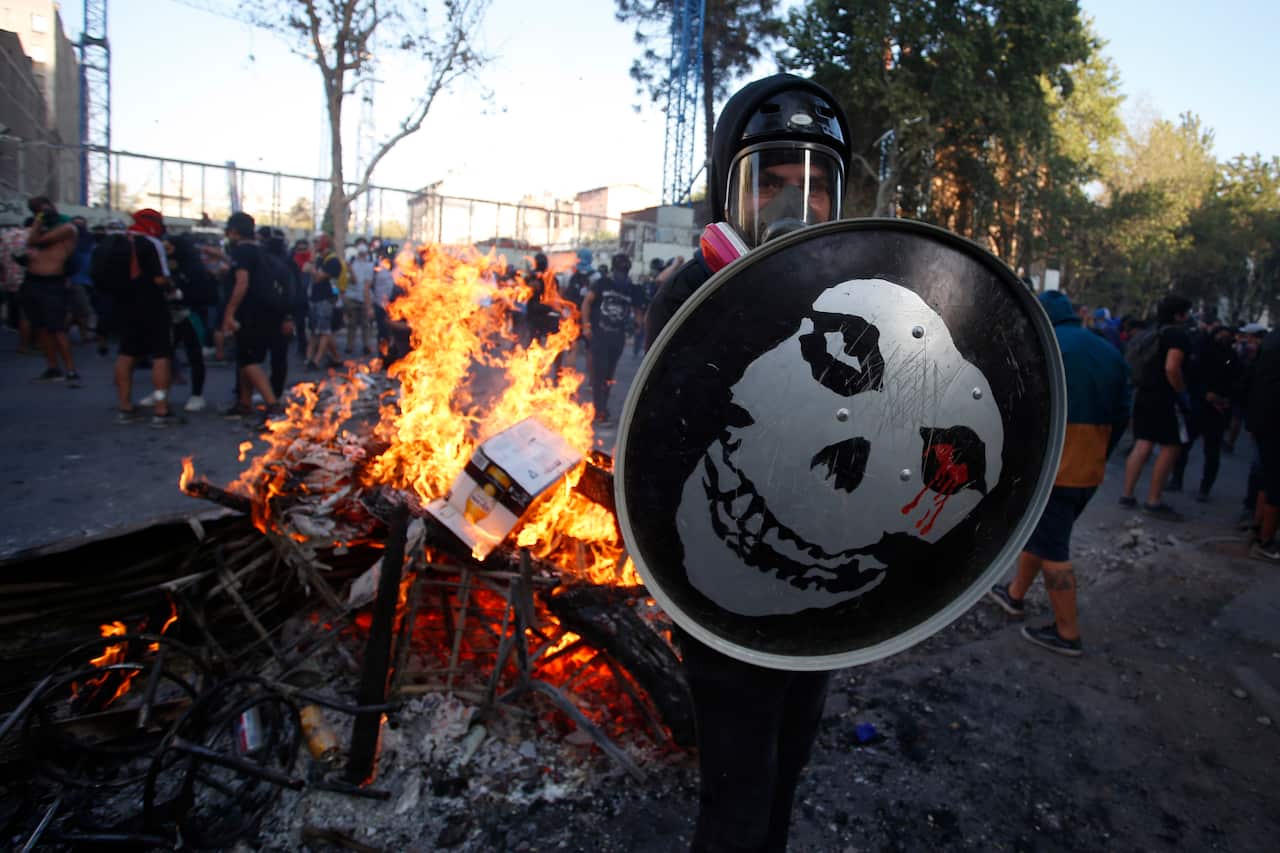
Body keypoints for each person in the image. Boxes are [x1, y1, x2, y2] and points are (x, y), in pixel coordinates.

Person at [644, 73, 851, 852]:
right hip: (723, 590)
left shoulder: (860, 286)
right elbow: (671, 443)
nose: (796, 201)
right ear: (732, 185)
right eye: (772, 179)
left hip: (818, 581)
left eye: (815, 183)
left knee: (791, 759)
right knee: (738, 782)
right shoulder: (691, 289)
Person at [987, 290, 1130, 656]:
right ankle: (1015, 594)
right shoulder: (1108, 351)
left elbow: (1013, 405)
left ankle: (1068, 633)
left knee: (1054, 549)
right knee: (1047, 534)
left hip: (1053, 469)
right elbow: (1123, 414)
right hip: (1090, 468)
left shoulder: (1041, 345)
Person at [1119, 294, 1193, 521]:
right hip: (1164, 399)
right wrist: (1181, 391)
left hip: (1143, 395)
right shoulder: (1177, 335)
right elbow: (1172, 367)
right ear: (1179, 314)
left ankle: (1128, 495)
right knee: (1171, 447)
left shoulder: (1151, 332)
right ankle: (1153, 500)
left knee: (1142, 444)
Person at [109, 209, 180, 426]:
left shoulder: (119, 242)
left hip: (124, 305)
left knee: (126, 353)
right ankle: (161, 410)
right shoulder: (151, 243)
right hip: (152, 306)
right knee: (161, 355)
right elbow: (160, 278)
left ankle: (125, 407)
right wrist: (172, 287)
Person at [220, 212, 283, 422]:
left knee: (248, 359)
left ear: (234, 231)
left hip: (249, 312)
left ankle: (273, 405)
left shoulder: (242, 252)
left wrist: (229, 312)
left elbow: (242, 282)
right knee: (244, 358)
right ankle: (244, 402)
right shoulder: (258, 251)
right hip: (265, 312)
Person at [22, 197, 81, 385]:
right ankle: (52, 367)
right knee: (41, 328)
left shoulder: (67, 228)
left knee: (57, 328)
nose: (41, 214)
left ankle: (70, 369)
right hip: (34, 281)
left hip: (53, 283)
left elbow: (32, 240)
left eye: (42, 210)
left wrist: (39, 220)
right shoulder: (43, 227)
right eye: (36, 210)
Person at [580, 252, 638, 425]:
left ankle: (602, 408)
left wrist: (635, 326)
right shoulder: (602, 283)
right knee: (599, 375)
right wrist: (586, 326)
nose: (622, 273)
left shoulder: (630, 288)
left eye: (625, 270)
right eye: (620, 269)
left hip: (617, 340)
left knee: (608, 376)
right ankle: (600, 411)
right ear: (613, 268)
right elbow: (586, 302)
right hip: (600, 337)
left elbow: (639, 312)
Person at [1245, 325, 1280, 563]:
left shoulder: (1271, 339)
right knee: (1276, 482)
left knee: (1267, 477)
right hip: (1274, 421)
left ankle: (1257, 529)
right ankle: (1265, 542)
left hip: (1263, 419)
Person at [305, 234, 344, 370]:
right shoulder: (319, 259)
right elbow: (305, 269)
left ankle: (316, 360)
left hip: (326, 300)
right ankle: (311, 358)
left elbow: (318, 277)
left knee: (324, 331)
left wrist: (313, 267)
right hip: (315, 299)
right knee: (315, 331)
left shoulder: (332, 261)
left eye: (316, 242)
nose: (314, 245)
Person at [346, 242, 374, 355]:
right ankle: (349, 345)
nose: (362, 255)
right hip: (353, 297)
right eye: (361, 253)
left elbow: (367, 285)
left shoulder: (369, 265)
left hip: (364, 298)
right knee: (351, 323)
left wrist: (368, 305)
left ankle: (366, 345)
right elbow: (352, 280)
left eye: (364, 253)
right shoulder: (352, 264)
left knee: (365, 324)